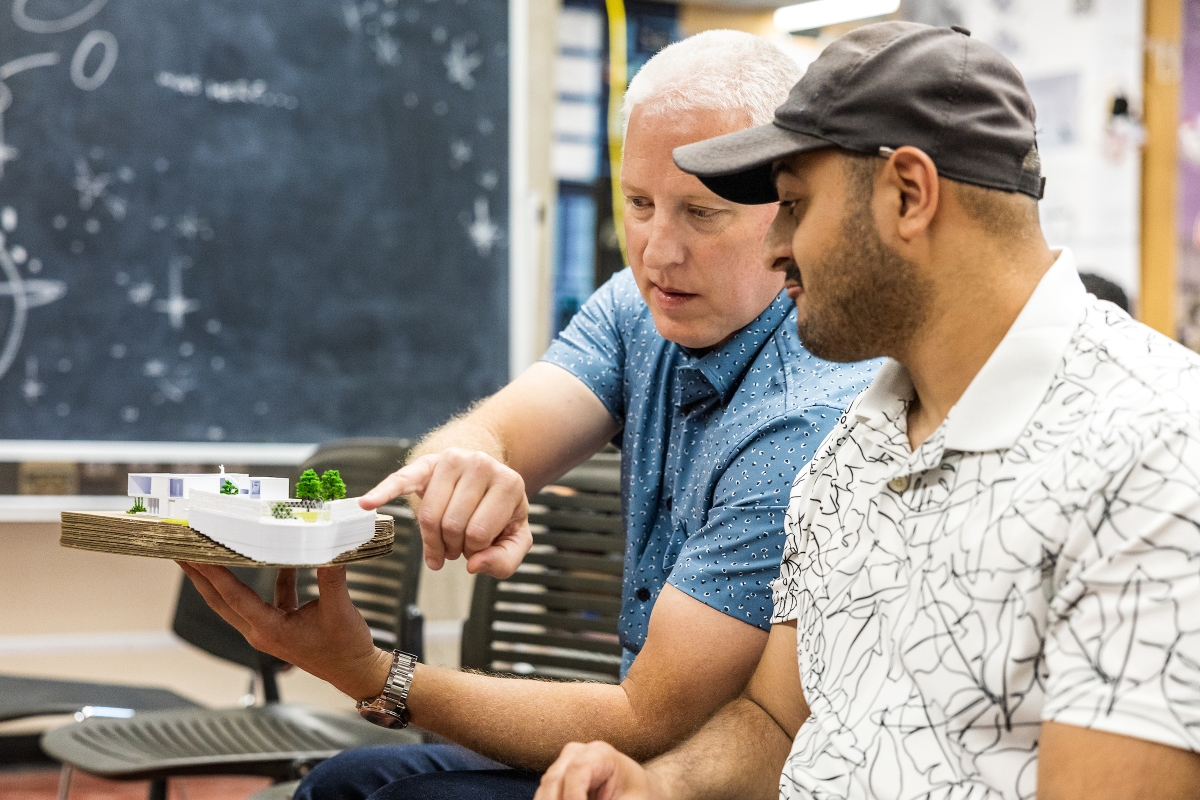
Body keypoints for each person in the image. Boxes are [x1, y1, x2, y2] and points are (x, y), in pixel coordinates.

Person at [178, 30, 878, 800]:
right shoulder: (641, 307)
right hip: (637, 750)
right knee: (350, 786)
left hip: (709, 779)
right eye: (639, 204)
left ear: (789, 212)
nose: (657, 253)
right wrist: (471, 462)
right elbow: (497, 430)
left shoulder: (803, 420)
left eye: (701, 213)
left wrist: (372, 675)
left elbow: (648, 722)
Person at [534, 21, 1200, 800]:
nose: (774, 246)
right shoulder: (859, 441)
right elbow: (777, 721)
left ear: (908, 195)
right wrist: (660, 787)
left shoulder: (1154, 452)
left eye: (794, 204)